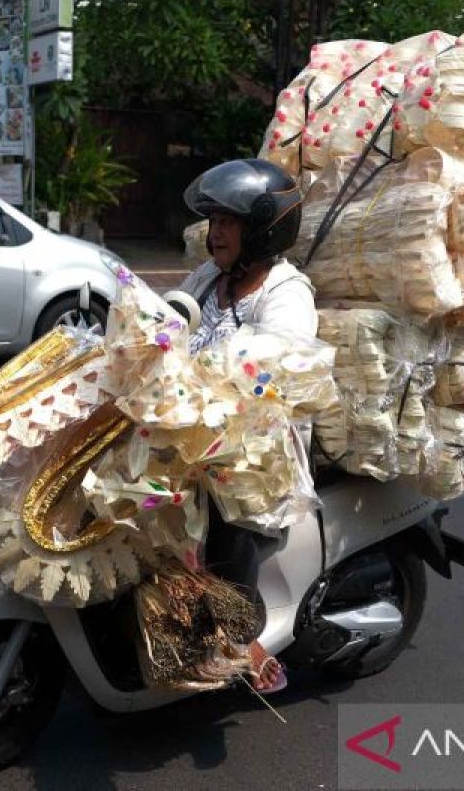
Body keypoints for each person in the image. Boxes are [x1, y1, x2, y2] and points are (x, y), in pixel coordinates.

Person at [177, 158, 316, 694]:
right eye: (213, 221)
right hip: (193, 426)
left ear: (263, 230)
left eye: (229, 222)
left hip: (259, 448)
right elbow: (170, 319)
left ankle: (240, 634)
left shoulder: (286, 292)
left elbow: (275, 360)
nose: (216, 233)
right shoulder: (211, 277)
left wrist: (221, 371)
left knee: (220, 510)